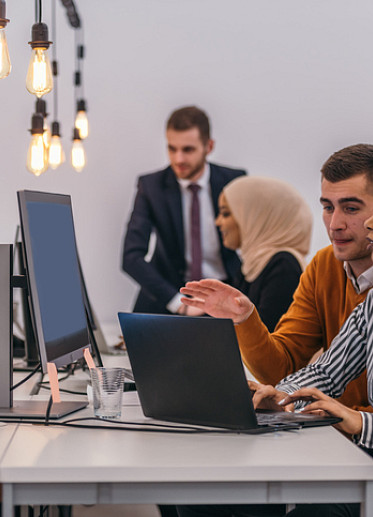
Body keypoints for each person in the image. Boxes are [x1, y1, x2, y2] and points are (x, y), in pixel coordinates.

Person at [180, 143, 373, 416]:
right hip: (339, 434)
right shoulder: (324, 265)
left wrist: (337, 417)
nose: (334, 224)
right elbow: (295, 370)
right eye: (328, 207)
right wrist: (245, 318)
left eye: (351, 208)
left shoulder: (284, 263)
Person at [122, 106, 246, 316]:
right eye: (172, 148)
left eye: (188, 150)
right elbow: (131, 256)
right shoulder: (151, 186)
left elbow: (253, 242)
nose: (178, 159)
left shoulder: (234, 181)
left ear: (209, 146)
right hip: (169, 298)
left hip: (225, 295)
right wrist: (178, 302)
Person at [216, 176, 312, 332]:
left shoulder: (284, 266)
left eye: (226, 214)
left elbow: (266, 338)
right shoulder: (252, 264)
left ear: (255, 217)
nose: (218, 222)